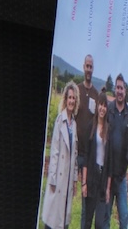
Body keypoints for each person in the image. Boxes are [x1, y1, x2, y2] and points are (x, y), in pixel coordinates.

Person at [42, 82, 81, 229]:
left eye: (73, 98)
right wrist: (52, 178)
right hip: (58, 178)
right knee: (53, 218)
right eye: (69, 97)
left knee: (63, 219)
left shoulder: (74, 124)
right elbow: (55, 152)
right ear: (65, 99)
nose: (71, 101)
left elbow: (75, 154)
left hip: (68, 179)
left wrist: (75, 179)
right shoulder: (60, 120)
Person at [106, 74, 128, 229]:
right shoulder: (108, 110)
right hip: (108, 174)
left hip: (122, 177)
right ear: (115, 89)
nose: (119, 91)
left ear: (125, 91)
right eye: (117, 87)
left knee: (124, 217)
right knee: (106, 216)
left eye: (122, 88)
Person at [76, 55, 99, 229]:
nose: (89, 69)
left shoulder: (96, 95)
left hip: (89, 155)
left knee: (86, 199)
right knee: (71, 191)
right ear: (83, 67)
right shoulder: (76, 91)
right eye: (87, 66)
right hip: (76, 152)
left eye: (91, 67)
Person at [83, 90, 112, 229]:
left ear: (107, 109)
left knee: (100, 223)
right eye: (100, 104)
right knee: (87, 220)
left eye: (105, 105)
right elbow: (86, 156)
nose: (102, 108)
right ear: (97, 106)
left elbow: (109, 161)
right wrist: (84, 183)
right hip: (91, 178)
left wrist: (107, 188)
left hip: (102, 179)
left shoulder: (108, 129)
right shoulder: (91, 126)